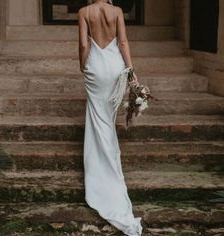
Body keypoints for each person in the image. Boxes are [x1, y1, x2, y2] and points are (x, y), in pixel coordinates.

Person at [78, 0, 143, 235]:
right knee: (108, 118)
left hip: (95, 67)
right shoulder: (116, 11)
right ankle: (110, 162)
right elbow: (123, 41)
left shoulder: (84, 12)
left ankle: (101, 167)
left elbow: (84, 44)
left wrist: (82, 65)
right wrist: (131, 71)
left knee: (98, 117)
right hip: (115, 67)